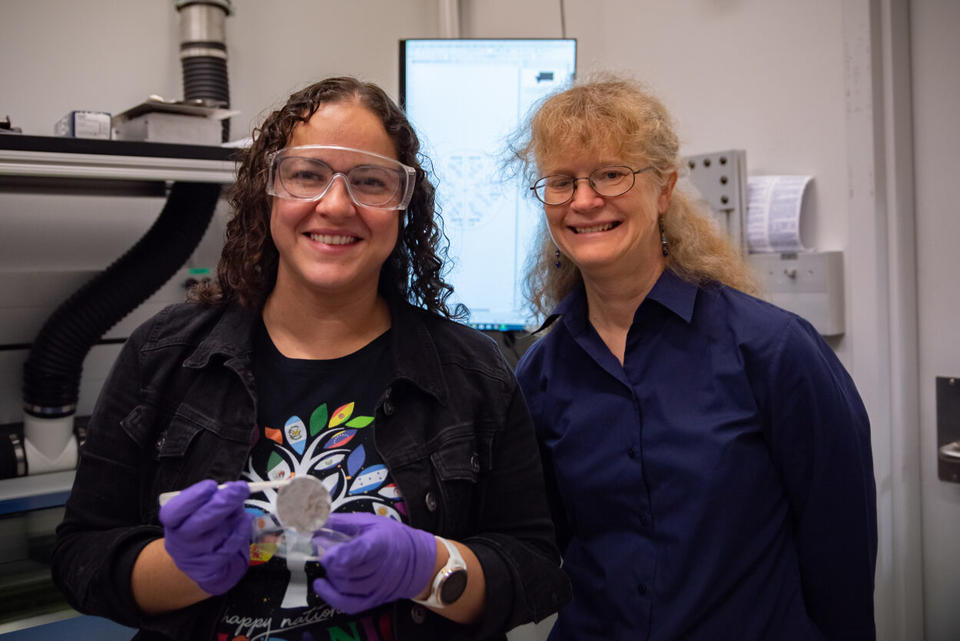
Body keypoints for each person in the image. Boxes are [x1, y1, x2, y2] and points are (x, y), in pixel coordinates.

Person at [52, 76, 570, 641]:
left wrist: (430, 569)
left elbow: (535, 567)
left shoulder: (475, 374)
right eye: (307, 175)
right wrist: (180, 569)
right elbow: (81, 554)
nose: (335, 205)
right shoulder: (164, 355)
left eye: (370, 182)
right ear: (267, 191)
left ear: (404, 207)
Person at [511, 74, 878, 641]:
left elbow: (840, 551)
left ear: (663, 190)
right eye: (562, 181)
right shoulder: (540, 376)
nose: (584, 201)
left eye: (611, 174)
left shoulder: (773, 351)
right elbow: (539, 548)